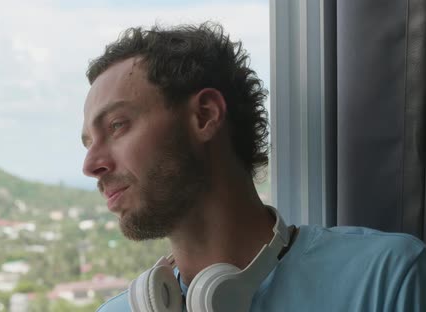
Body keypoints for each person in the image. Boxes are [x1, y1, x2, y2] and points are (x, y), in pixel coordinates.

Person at [80, 22, 425, 312]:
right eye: (88, 142)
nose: (91, 164)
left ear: (205, 115)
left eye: (117, 126)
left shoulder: (387, 277)